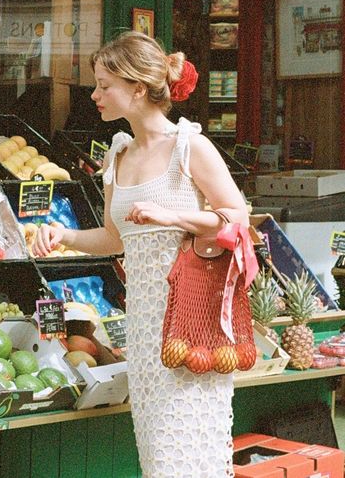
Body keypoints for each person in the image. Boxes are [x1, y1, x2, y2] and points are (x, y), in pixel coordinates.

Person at [33, 30, 248, 477]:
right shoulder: (120, 153)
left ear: (137, 88)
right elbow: (115, 238)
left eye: (104, 86)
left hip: (192, 320)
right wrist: (62, 236)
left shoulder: (190, 146)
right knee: (156, 458)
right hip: (146, 328)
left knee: (183, 458)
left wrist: (173, 217)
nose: (94, 95)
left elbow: (236, 217)